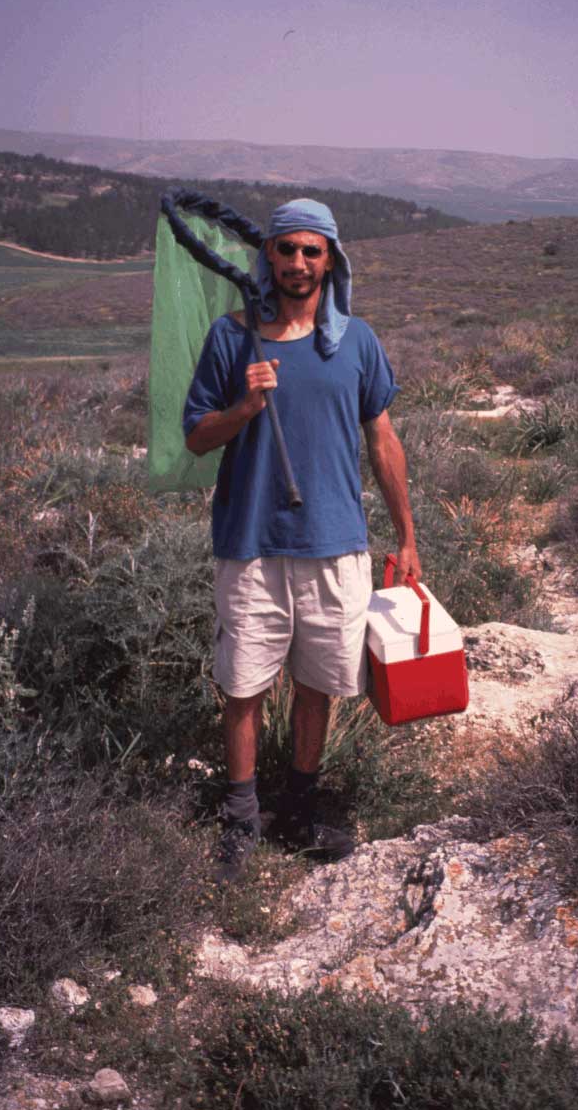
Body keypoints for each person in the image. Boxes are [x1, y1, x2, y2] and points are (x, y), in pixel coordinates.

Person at [183, 198, 420, 884]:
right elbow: (196, 436)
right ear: (269, 256)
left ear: (330, 260)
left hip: (335, 545)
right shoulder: (232, 338)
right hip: (251, 544)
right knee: (243, 687)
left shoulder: (356, 342)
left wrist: (407, 536)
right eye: (286, 249)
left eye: (311, 251)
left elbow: (383, 440)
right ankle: (241, 818)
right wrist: (245, 407)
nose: (297, 262)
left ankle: (298, 809)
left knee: (317, 686)